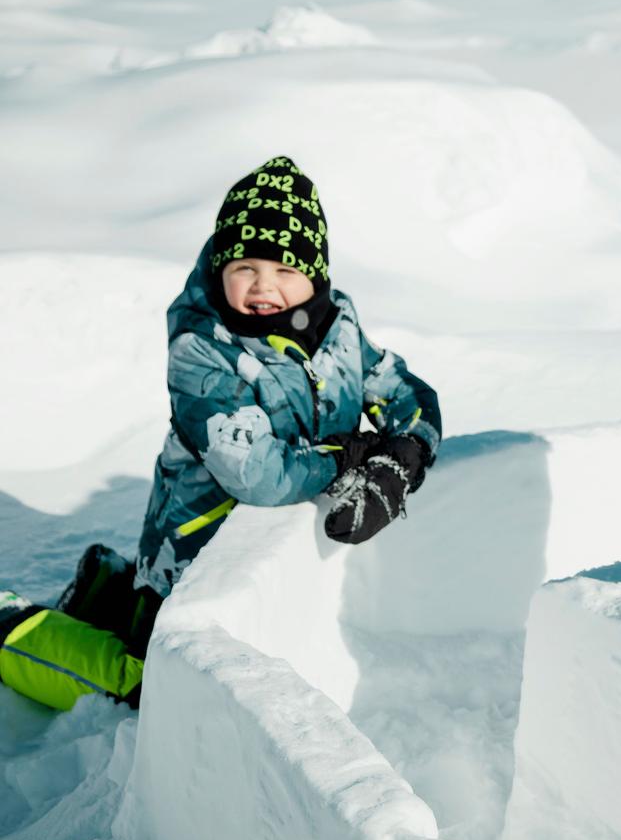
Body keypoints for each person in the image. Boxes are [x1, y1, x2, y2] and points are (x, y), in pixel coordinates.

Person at [2, 156, 441, 710]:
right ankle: (13, 631)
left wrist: (401, 455)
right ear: (220, 269)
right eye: (246, 269)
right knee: (151, 686)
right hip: (194, 556)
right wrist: (349, 455)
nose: (265, 288)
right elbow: (258, 475)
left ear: (316, 276)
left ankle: (108, 589)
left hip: (259, 552)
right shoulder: (203, 351)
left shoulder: (338, 329)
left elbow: (408, 395)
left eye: (285, 271)